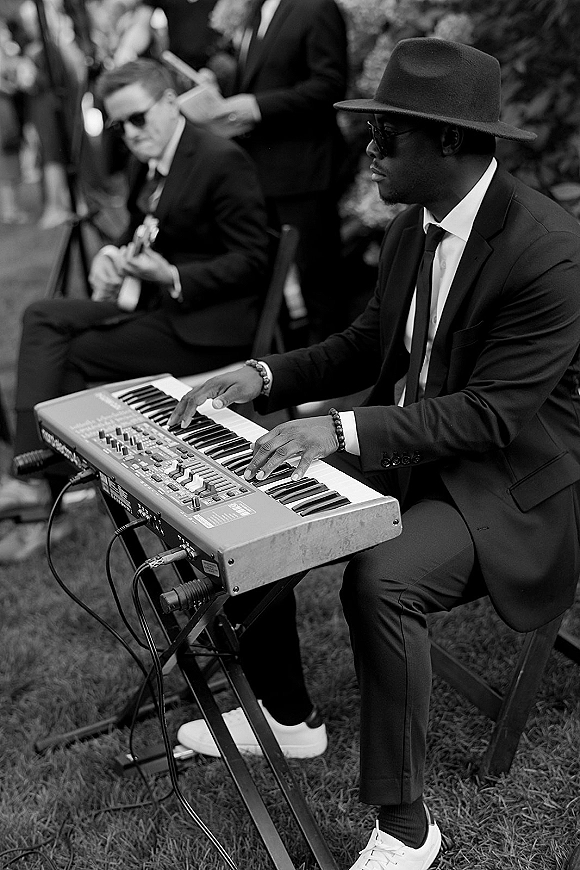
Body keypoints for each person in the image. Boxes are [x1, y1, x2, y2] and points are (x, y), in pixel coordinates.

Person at [169, 38, 580, 870]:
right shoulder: (413, 229)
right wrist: (259, 374)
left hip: (509, 477)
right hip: (415, 442)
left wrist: (343, 431)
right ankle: (288, 715)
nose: (369, 148)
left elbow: (495, 415)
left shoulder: (549, 248)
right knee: (252, 496)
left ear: (451, 143)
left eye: (387, 134)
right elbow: (366, 344)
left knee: (382, 579)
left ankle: (405, 827)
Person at [0, 58, 269, 564]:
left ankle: (44, 496)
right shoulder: (146, 159)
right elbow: (139, 230)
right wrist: (111, 256)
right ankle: (32, 469)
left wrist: (171, 276)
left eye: (138, 118)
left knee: (75, 354)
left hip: (206, 324)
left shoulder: (219, 159)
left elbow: (254, 261)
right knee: (43, 315)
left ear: (169, 103)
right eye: (119, 124)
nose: (128, 132)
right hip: (150, 302)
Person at [206, 0, 349, 344]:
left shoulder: (315, 8)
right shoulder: (257, 12)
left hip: (304, 170)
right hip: (262, 171)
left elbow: (330, 85)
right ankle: (289, 362)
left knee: (318, 279)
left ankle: (331, 372)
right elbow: (264, 79)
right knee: (271, 279)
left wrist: (258, 107)